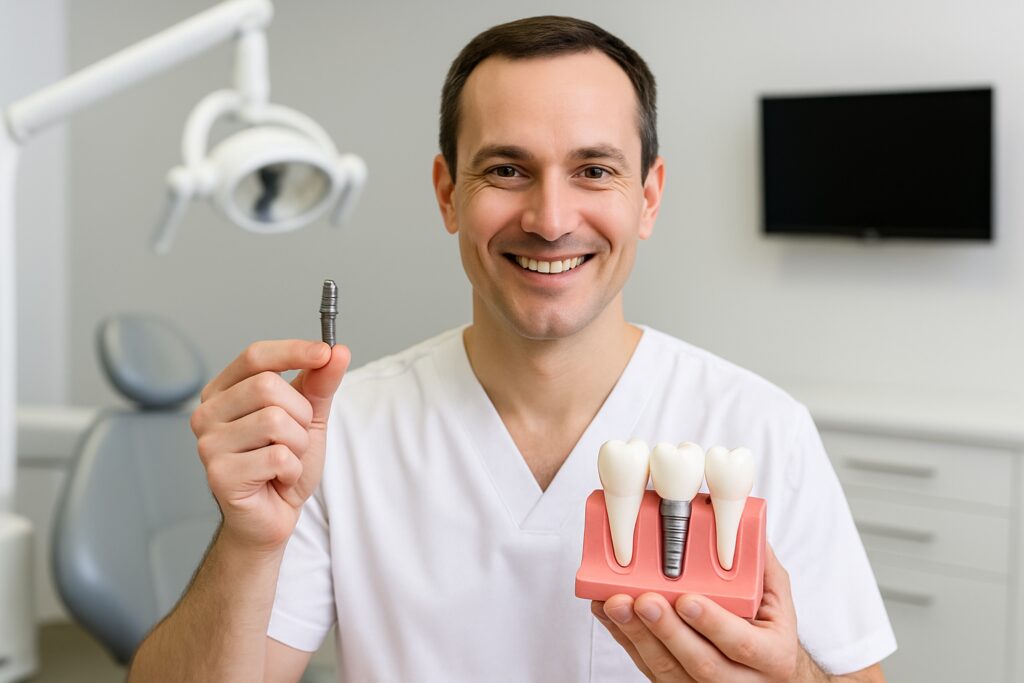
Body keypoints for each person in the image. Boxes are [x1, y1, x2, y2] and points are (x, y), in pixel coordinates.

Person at [128, 15, 896, 683]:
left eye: (594, 170)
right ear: (446, 193)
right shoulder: (342, 434)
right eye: (506, 169)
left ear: (649, 196)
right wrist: (248, 541)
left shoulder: (760, 428)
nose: (551, 216)